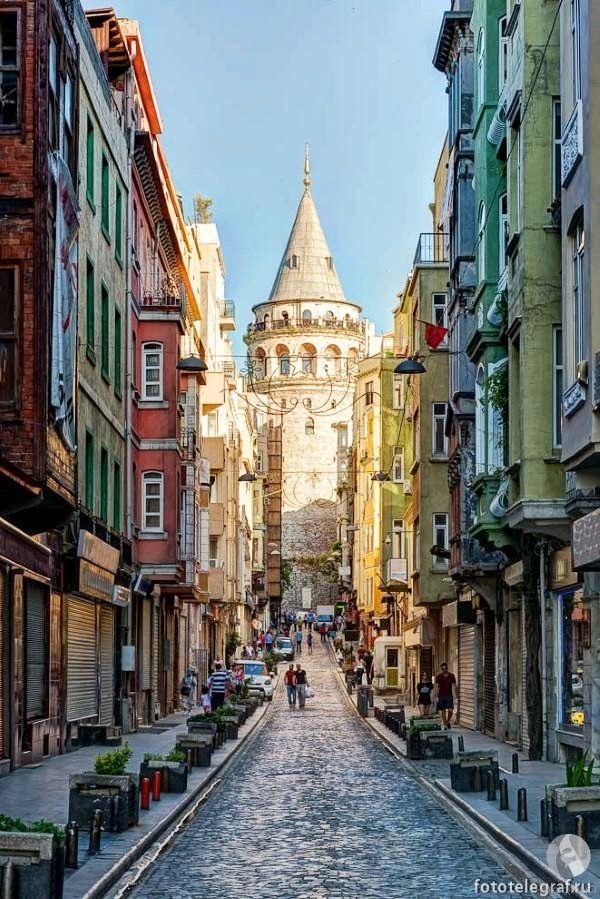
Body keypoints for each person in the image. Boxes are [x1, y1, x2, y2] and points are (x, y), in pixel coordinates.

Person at [435, 662, 457, 729]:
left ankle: (447, 721)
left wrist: (455, 696)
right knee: (443, 710)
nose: (444, 670)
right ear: (441, 669)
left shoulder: (451, 676)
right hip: (441, 695)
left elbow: (454, 686)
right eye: (443, 669)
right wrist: (436, 696)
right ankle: (445, 724)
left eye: (445, 668)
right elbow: (437, 687)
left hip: (449, 695)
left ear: (447, 668)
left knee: (450, 710)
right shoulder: (439, 676)